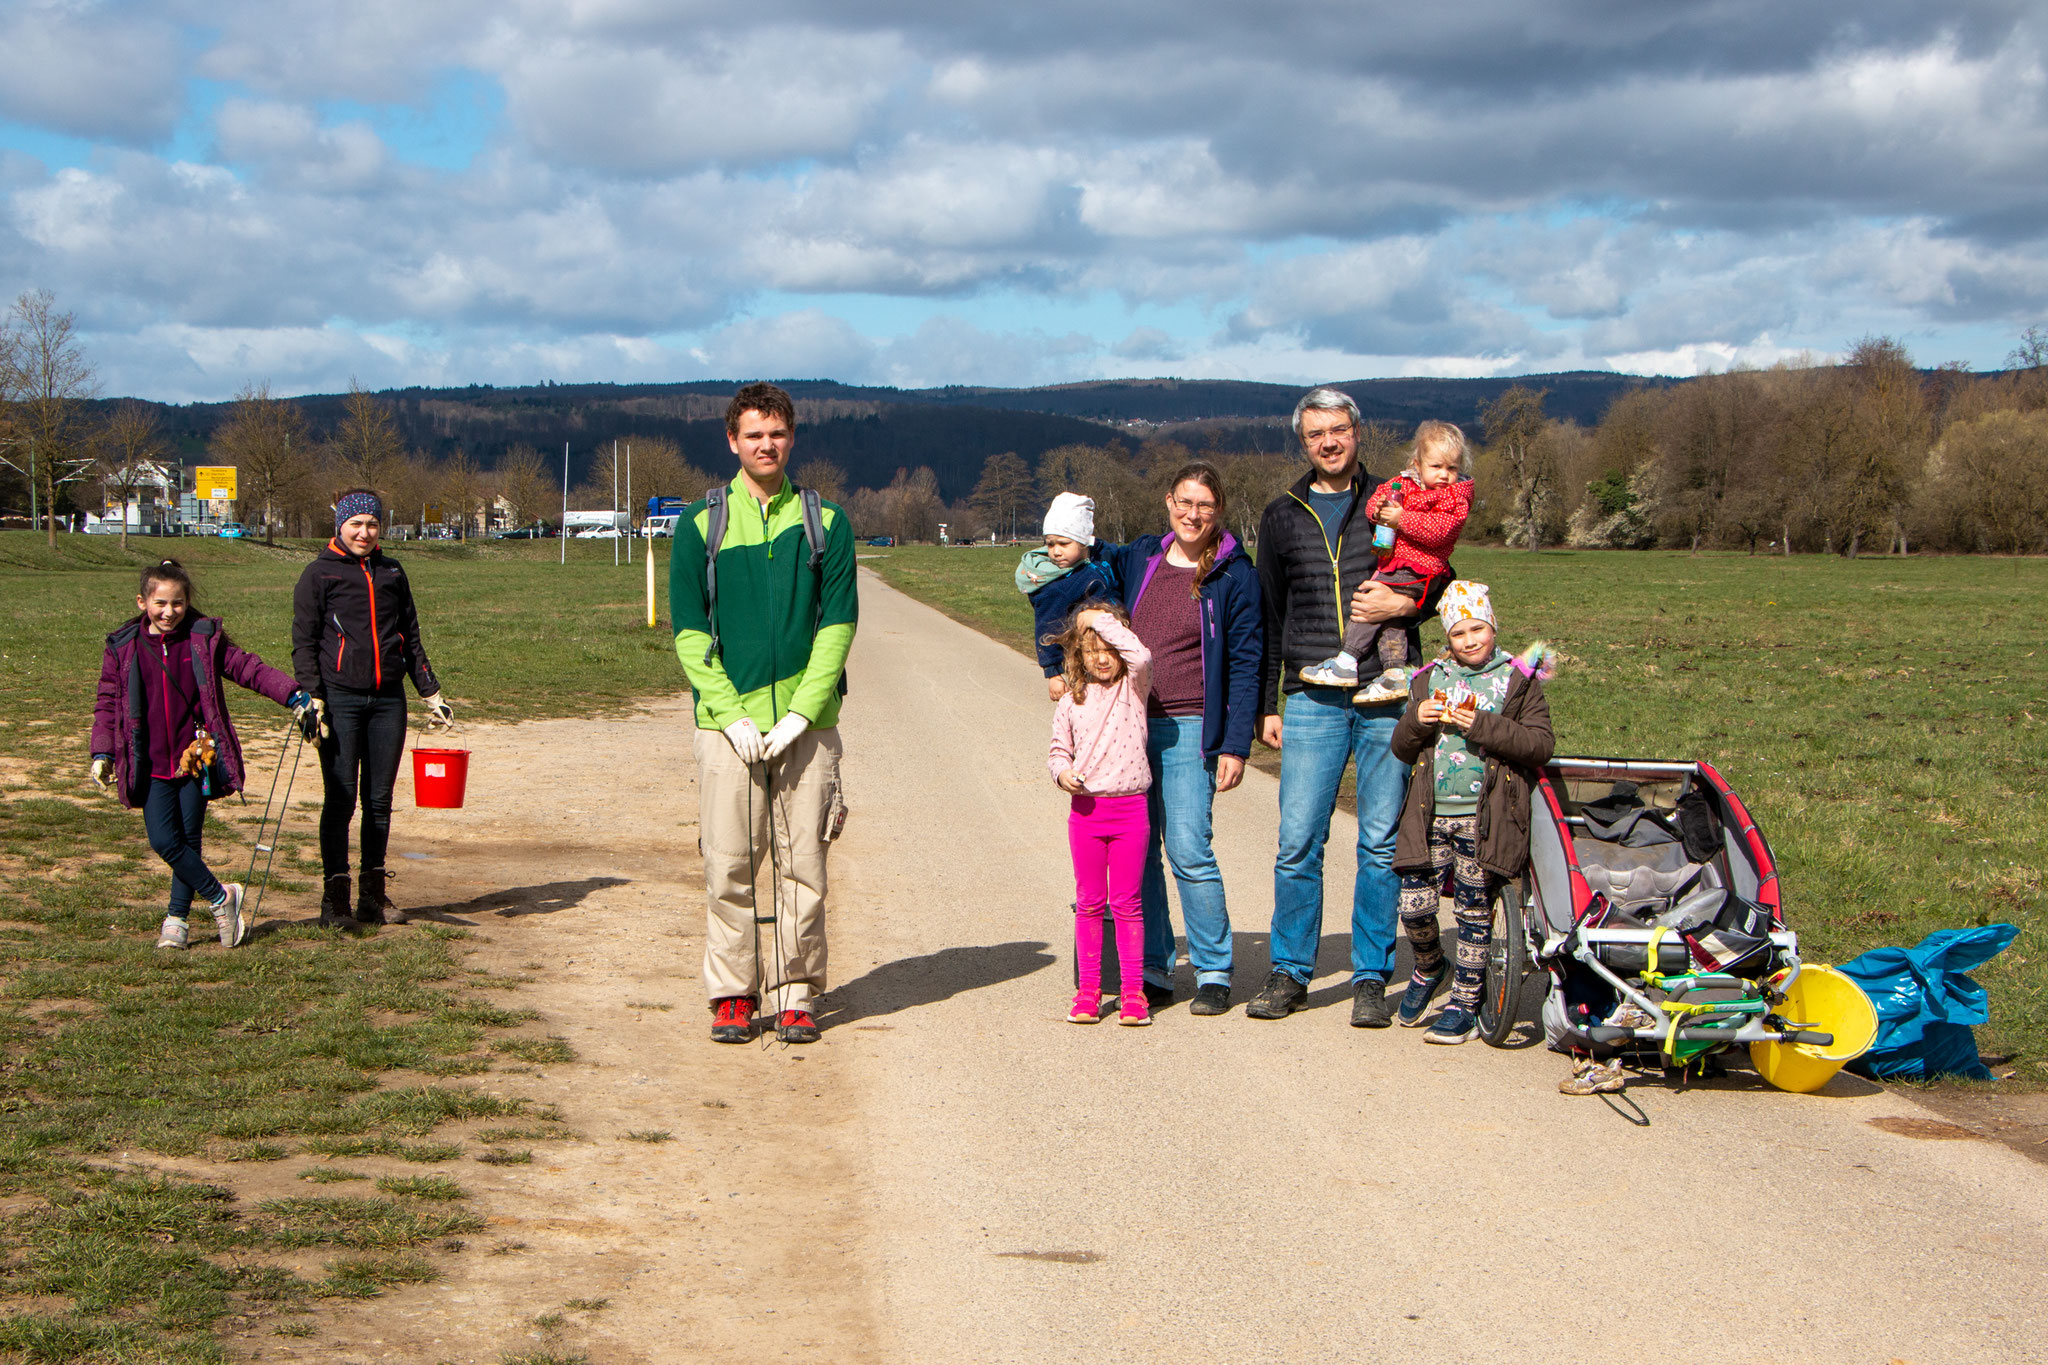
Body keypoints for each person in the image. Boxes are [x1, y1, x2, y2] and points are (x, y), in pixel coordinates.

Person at [1252, 386, 1449, 1026]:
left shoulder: (1394, 498)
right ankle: (1289, 972)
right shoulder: (1281, 514)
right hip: (1310, 694)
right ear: (1302, 441)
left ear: (1357, 433)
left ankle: (1370, 975)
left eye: (1338, 430)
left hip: (1386, 692)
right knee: (1298, 841)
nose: (1328, 442)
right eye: (1316, 434)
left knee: (1379, 842)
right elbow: (1268, 614)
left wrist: (1407, 605)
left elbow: (1439, 570)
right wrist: (1268, 703)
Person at [671, 382, 858, 1046]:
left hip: (807, 730)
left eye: (776, 433)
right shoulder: (700, 524)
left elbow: (837, 626)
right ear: (732, 440)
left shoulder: (827, 522)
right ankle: (732, 992)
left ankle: (796, 991)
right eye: (753, 434)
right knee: (729, 863)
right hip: (728, 730)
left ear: (792, 437)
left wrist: (803, 714)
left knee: (804, 863)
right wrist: (730, 714)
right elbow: (690, 634)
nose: (765, 444)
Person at [1096, 462, 1263, 1015]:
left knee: (1189, 850)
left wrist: (1235, 745)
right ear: (1168, 501)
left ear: (1219, 511)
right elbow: (1080, 574)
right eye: (1184, 503)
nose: (1193, 514)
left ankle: (1214, 969)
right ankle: (1153, 966)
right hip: (1130, 725)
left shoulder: (1234, 573)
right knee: (1139, 853)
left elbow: (1246, 663)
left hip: (1192, 728)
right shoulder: (1142, 558)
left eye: (1205, 506)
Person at [91, 558, 315, 949]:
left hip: (196, 757)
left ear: (187, 601)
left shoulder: (202, 637)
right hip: (149, 761)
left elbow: (248, 668)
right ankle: (220, 896)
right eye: (160, 603)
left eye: (177, 603)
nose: (169, 612)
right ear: (142, 602)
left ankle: (176, 920)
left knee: (188, 838)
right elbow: (107, 701)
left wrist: (292, 694)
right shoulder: (124, 646)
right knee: (164, 840)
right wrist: (102, 752)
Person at [1387, 581, 1555, 1044]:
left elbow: (1539, 746)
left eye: (1478, 629)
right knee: (1413, 906)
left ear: (1493, 627)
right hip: (1429, 814)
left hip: (1487, 819)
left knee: (1474, 911)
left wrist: (1482, 724)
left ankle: (1465, 1000)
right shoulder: (1429, 679)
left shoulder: (1517, 681)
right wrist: (1415, 722)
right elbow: (1402, 749)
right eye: (1459, 633)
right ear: (1448, 637)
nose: (1470, 640)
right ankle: (1429, 966)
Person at [292, 489, 453, 927]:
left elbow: (411, 637)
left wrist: (430, 693)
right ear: (339, 526)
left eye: (372, 524)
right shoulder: (318, 575)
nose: (364, 532)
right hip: (339, 701)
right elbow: (304, 643)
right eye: (355, 524)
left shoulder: (392, 572)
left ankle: (373, 896)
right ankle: (335, 901)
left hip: (388, 701)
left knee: (378, 801)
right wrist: (311, 696)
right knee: (341, 800)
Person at [1298, 421, 1473, 705]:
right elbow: (1374, 502)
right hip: (1397, 563)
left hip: (1419, 569)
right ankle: (1394, 671)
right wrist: (1379, 509)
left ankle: (1347, 659)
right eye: (1436, 467)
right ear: (1418, 464)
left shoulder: (1455, 498)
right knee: (1390, 618)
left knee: (1369, 602)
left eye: (1451, 469)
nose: (1444, 475)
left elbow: (1439, 530)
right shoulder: (1401, 483)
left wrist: (1400, 519)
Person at [1045, 604, 1154, 1026]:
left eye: (1109, 649)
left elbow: (1140, 655)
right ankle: (1088, 991)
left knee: (1127, 903)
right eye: (1092, 651)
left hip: (1130, 811)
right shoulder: (1073, 701)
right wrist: (1062, 774)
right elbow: (1058, 750)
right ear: (1078, 656)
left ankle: (1132, 994)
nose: (1103, 658)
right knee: (1090, 903)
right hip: (1087, 812)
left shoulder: (1134, 687)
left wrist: (1095, 619)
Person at [1017, 491, 1119, 701]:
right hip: (1084, 660)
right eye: (1050, 543)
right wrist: (1053, 672)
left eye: (1064, 544)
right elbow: (1047, 626)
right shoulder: (1058, 586)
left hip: (1115, 651)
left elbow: (1111, 550)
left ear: (1084, 543)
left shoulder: (1099, 557)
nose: (1055, 551)